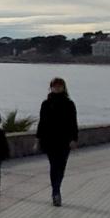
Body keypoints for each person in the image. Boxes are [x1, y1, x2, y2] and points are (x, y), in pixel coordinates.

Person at [37, 76, 80, 206]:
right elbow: (42, 123)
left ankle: (56, 189)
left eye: (60, 86)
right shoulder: (46, 104)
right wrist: (37, 138)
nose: (57, 88)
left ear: (63, 87)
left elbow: (73, 122)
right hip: (49, 140)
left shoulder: (69, 104)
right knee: (54, 165)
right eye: (55, 86)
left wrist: (74, 139)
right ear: (51, 87)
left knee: (61, 167)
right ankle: (56, 192)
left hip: (64, 140)